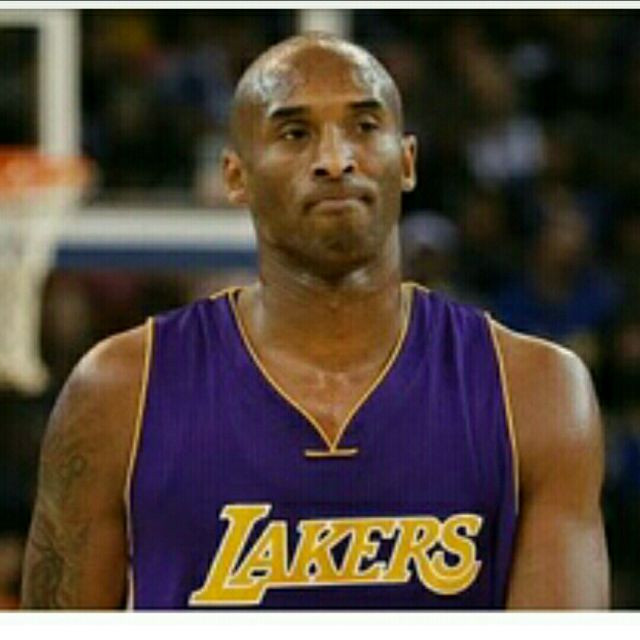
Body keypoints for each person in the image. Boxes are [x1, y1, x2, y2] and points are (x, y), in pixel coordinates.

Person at [20, 33, 608, 610]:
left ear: (407, 161)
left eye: (365, 126)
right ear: (235, 176)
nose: (334, 159)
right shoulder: (120, 391)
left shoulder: (534, 391)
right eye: (295, 133)